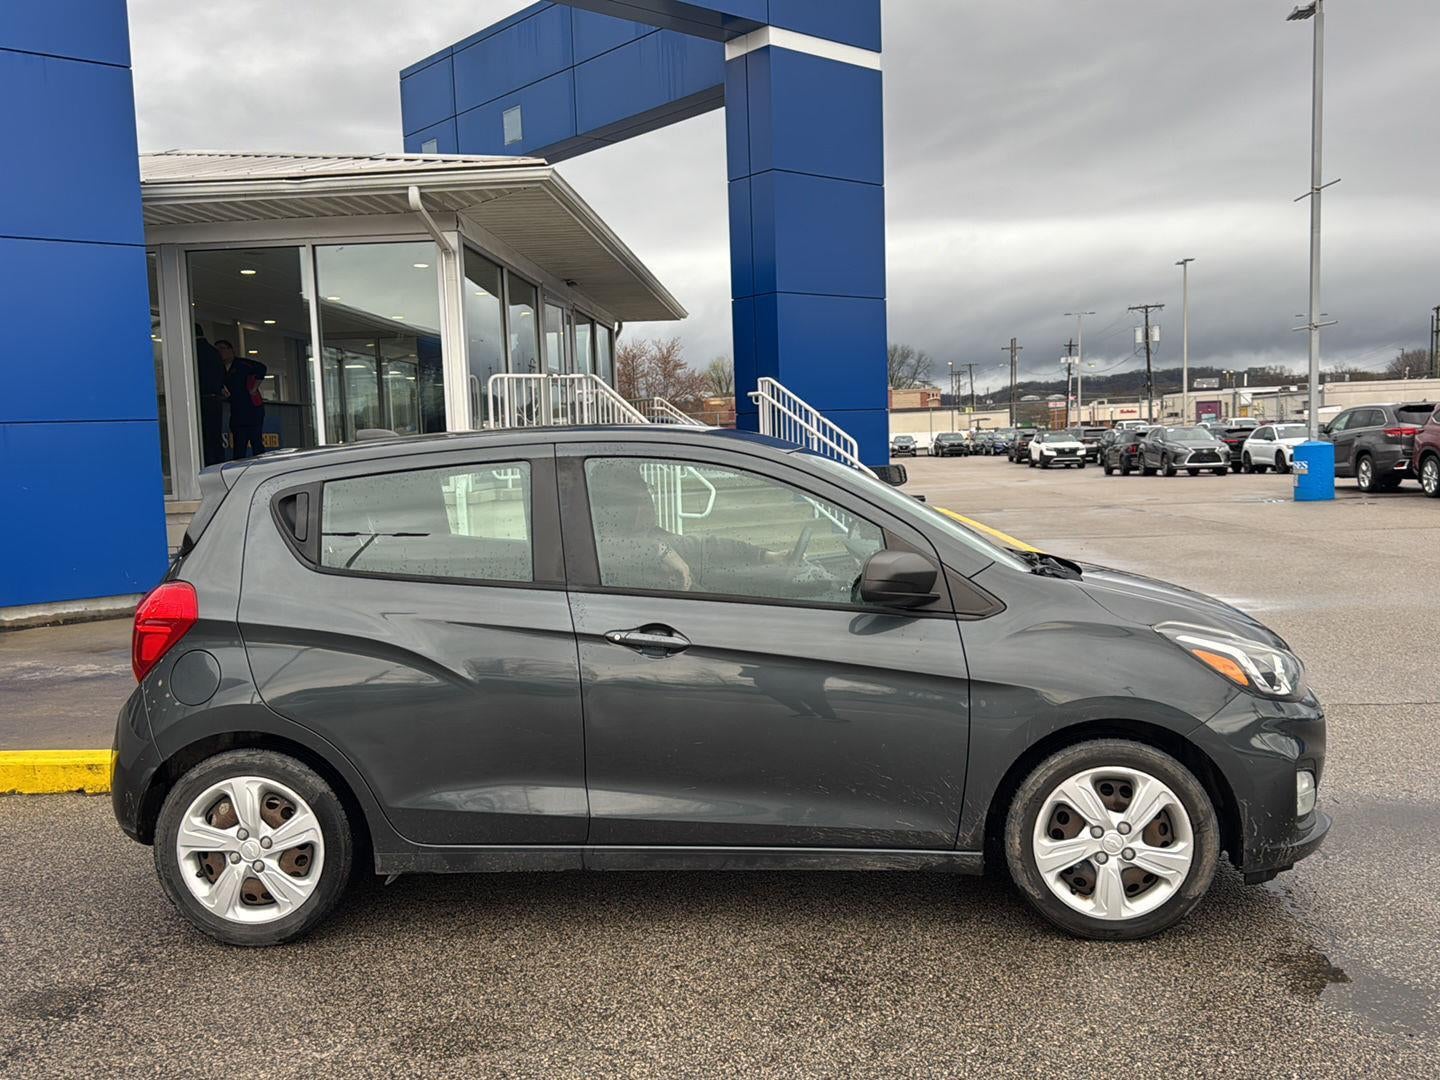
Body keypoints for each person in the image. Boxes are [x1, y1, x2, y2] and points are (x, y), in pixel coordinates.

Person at [217, 340, 267, 459]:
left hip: (252, 408)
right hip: (236, 409)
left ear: (231, 350)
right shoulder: (219, 368)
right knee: (239, 443)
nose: (220, 352)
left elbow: (262, 368)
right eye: (217, 350)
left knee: (256, 440)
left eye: (222, 349)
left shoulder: (242, 364)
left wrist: (254, 388)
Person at [194, 326, 225, 466]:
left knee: (203, 436)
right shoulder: (214, 352)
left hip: (201, 398)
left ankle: (205, 464)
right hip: (215, 399)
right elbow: (223, 374)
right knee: (215, 436)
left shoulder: (194, 350)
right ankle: (219, 464)